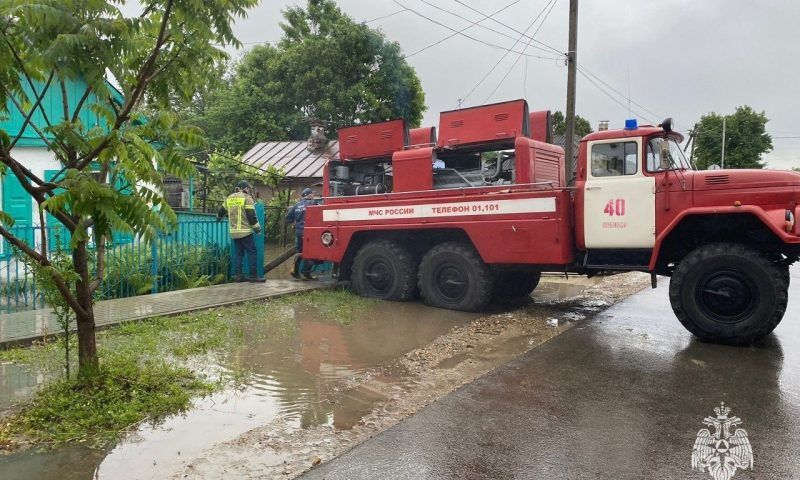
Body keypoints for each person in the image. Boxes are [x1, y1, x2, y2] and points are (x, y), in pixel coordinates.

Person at [218, 180, 264, 282]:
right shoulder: (247, 198)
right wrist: (257, 229)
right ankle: (253, 276)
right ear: (246, 188)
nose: (249, 190)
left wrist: (218, 217)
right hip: (245, 232)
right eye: (248, 188)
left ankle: (239, 276)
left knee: (239, 254)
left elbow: (221, 211)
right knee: (252, 252)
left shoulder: (229, 198)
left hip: (234, 232)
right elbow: (251, 215)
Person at [285, 187, 316, 280]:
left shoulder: (296, 205)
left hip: (299, 231)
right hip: (309, 232)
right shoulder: (313, 203)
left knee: (300, 252)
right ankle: (306, 273)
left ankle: (295, 271)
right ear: (310, 195)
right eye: (313, 194)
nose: (313, 196)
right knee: (310, 252)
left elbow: (287, 218)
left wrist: (294, 224)